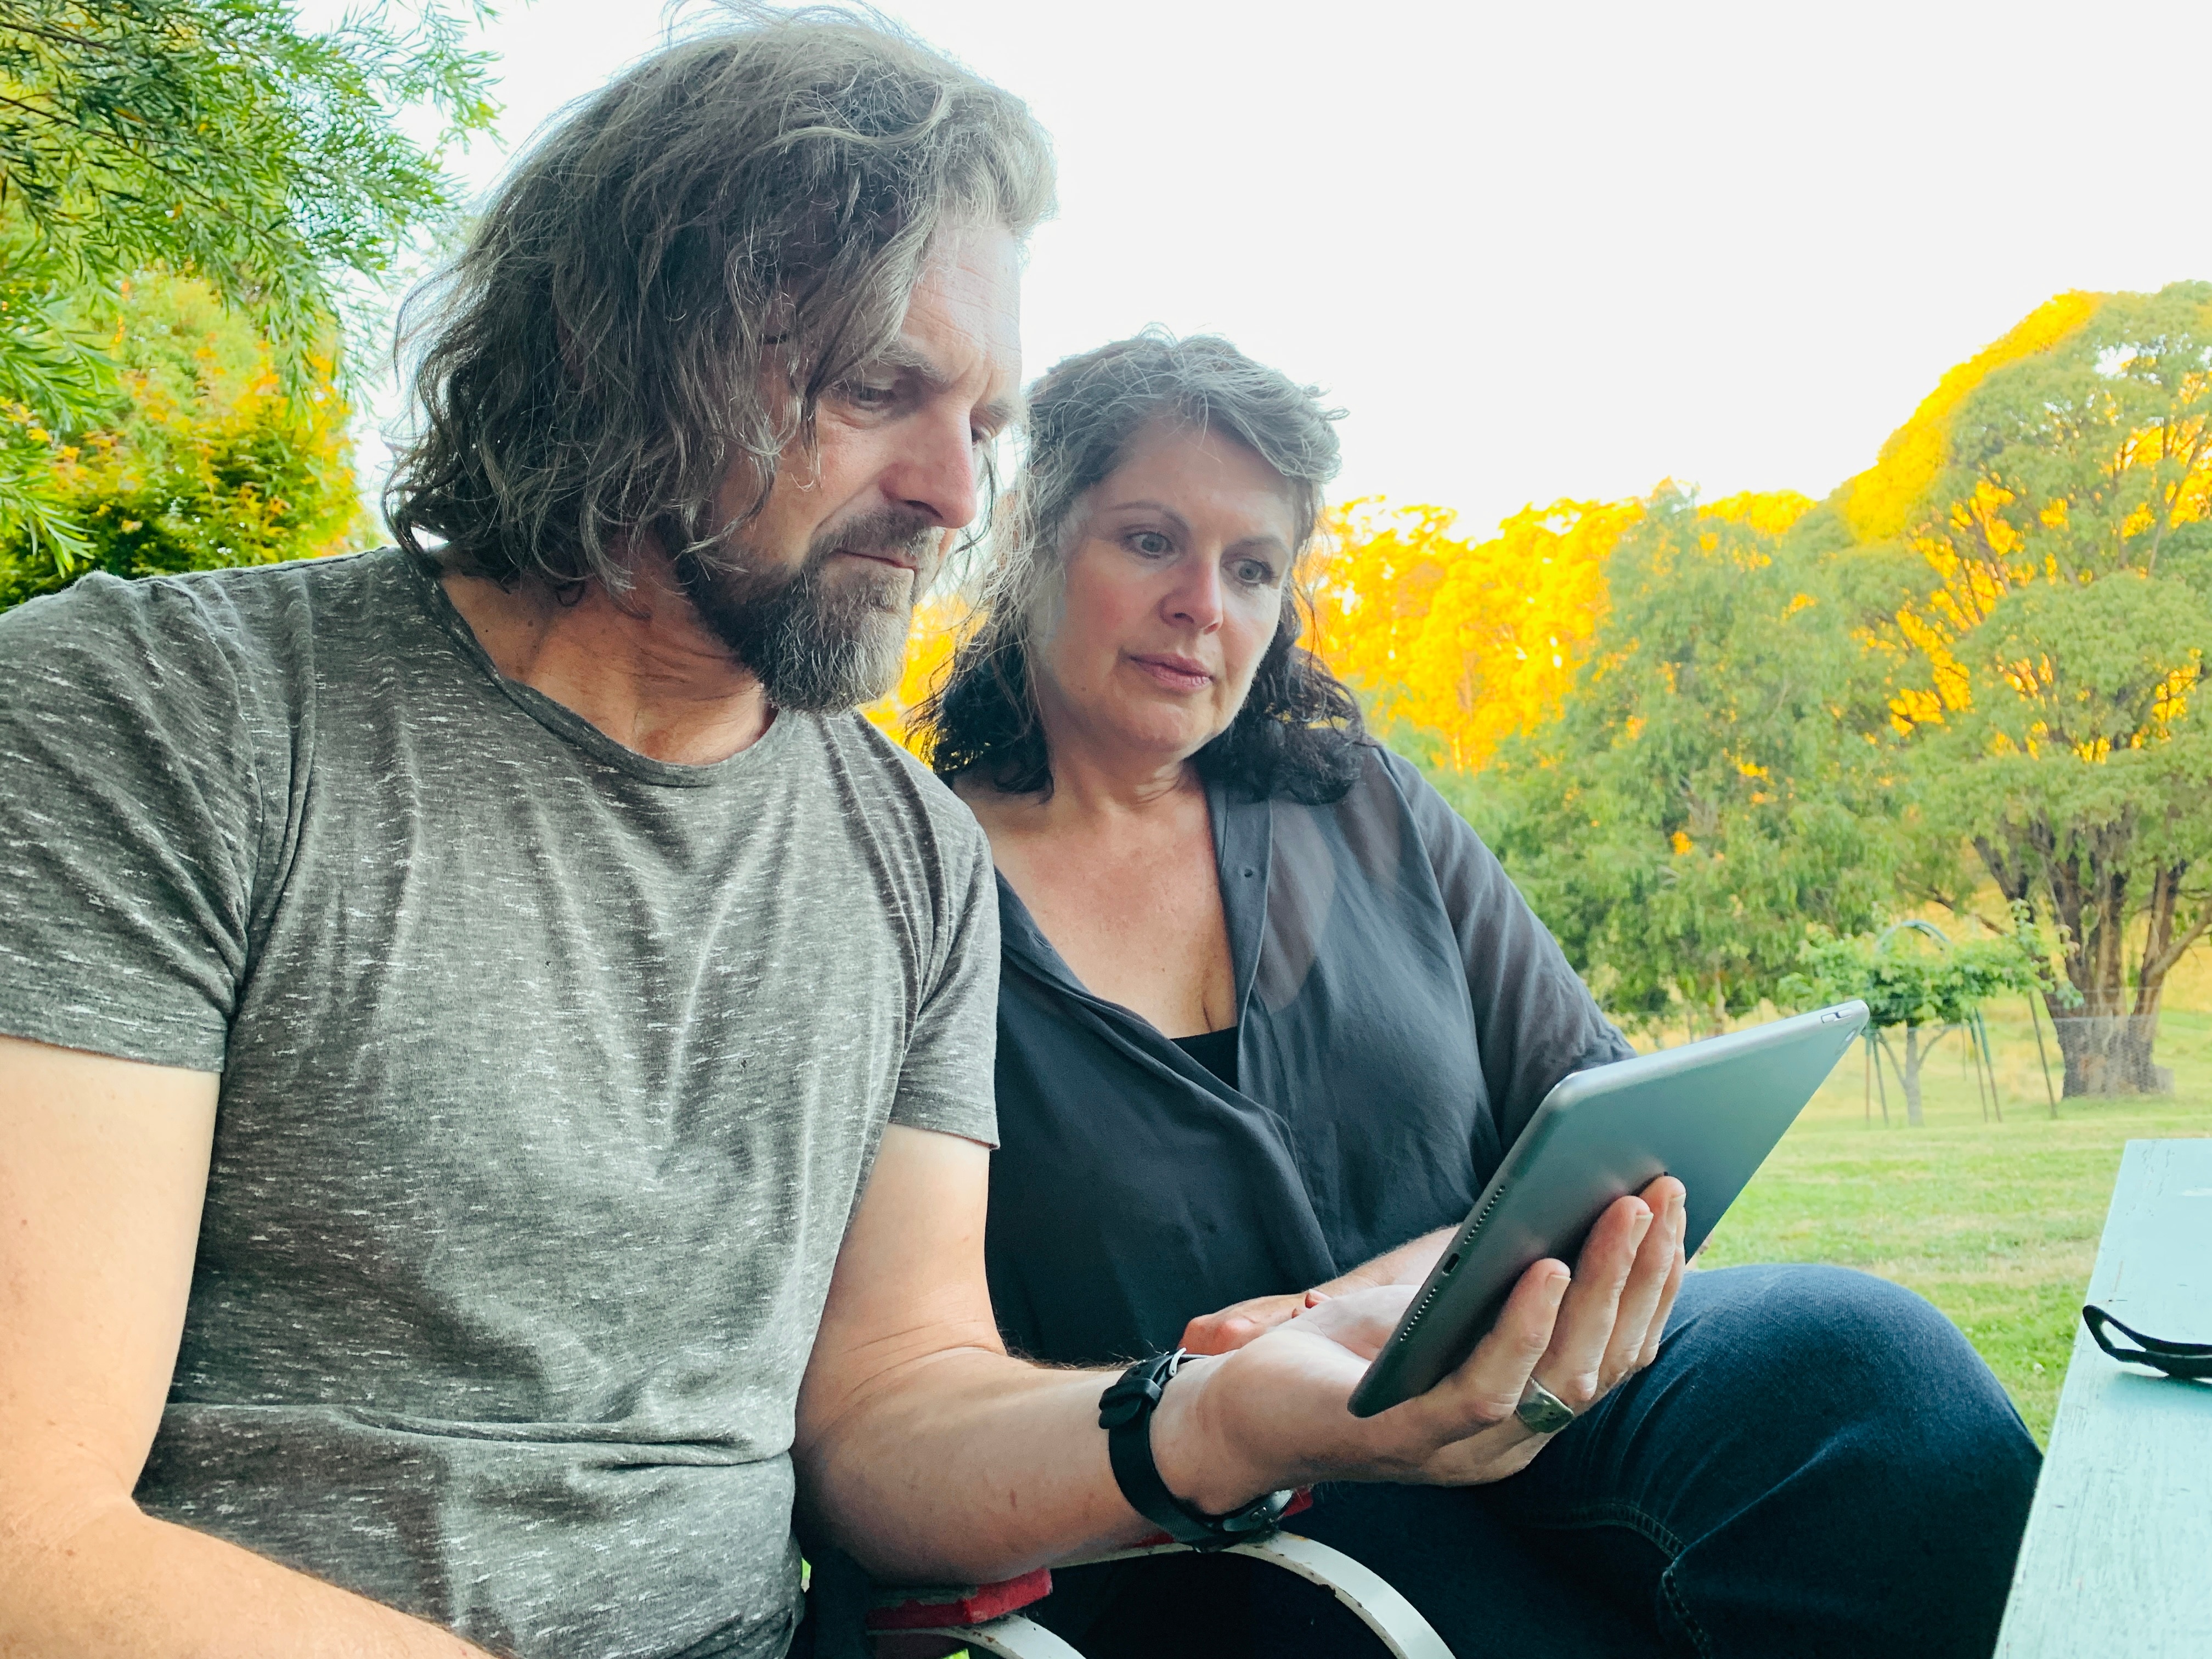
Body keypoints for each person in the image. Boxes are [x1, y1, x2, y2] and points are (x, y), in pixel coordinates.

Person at [0, 17, 1689, 1659]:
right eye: (884, 387)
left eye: (986, 427)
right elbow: (30, 1538)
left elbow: (890, 1413)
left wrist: (1220, 1414)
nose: (956, 495)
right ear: (621, 345)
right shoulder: (169, 716)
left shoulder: (906, 859)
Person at [921, 331, 2043, 1659]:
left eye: (1253, 566)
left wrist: (1370, 1304)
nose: (1202, 604)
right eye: (1150, 541)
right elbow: (904, 1380)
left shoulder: (1370, 805)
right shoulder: (917, 886)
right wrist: (1254, 1391)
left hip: (1524, 1389)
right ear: (1034, 545)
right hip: (1199, 1517)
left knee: (1875, 1378)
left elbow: (1616, 1134)